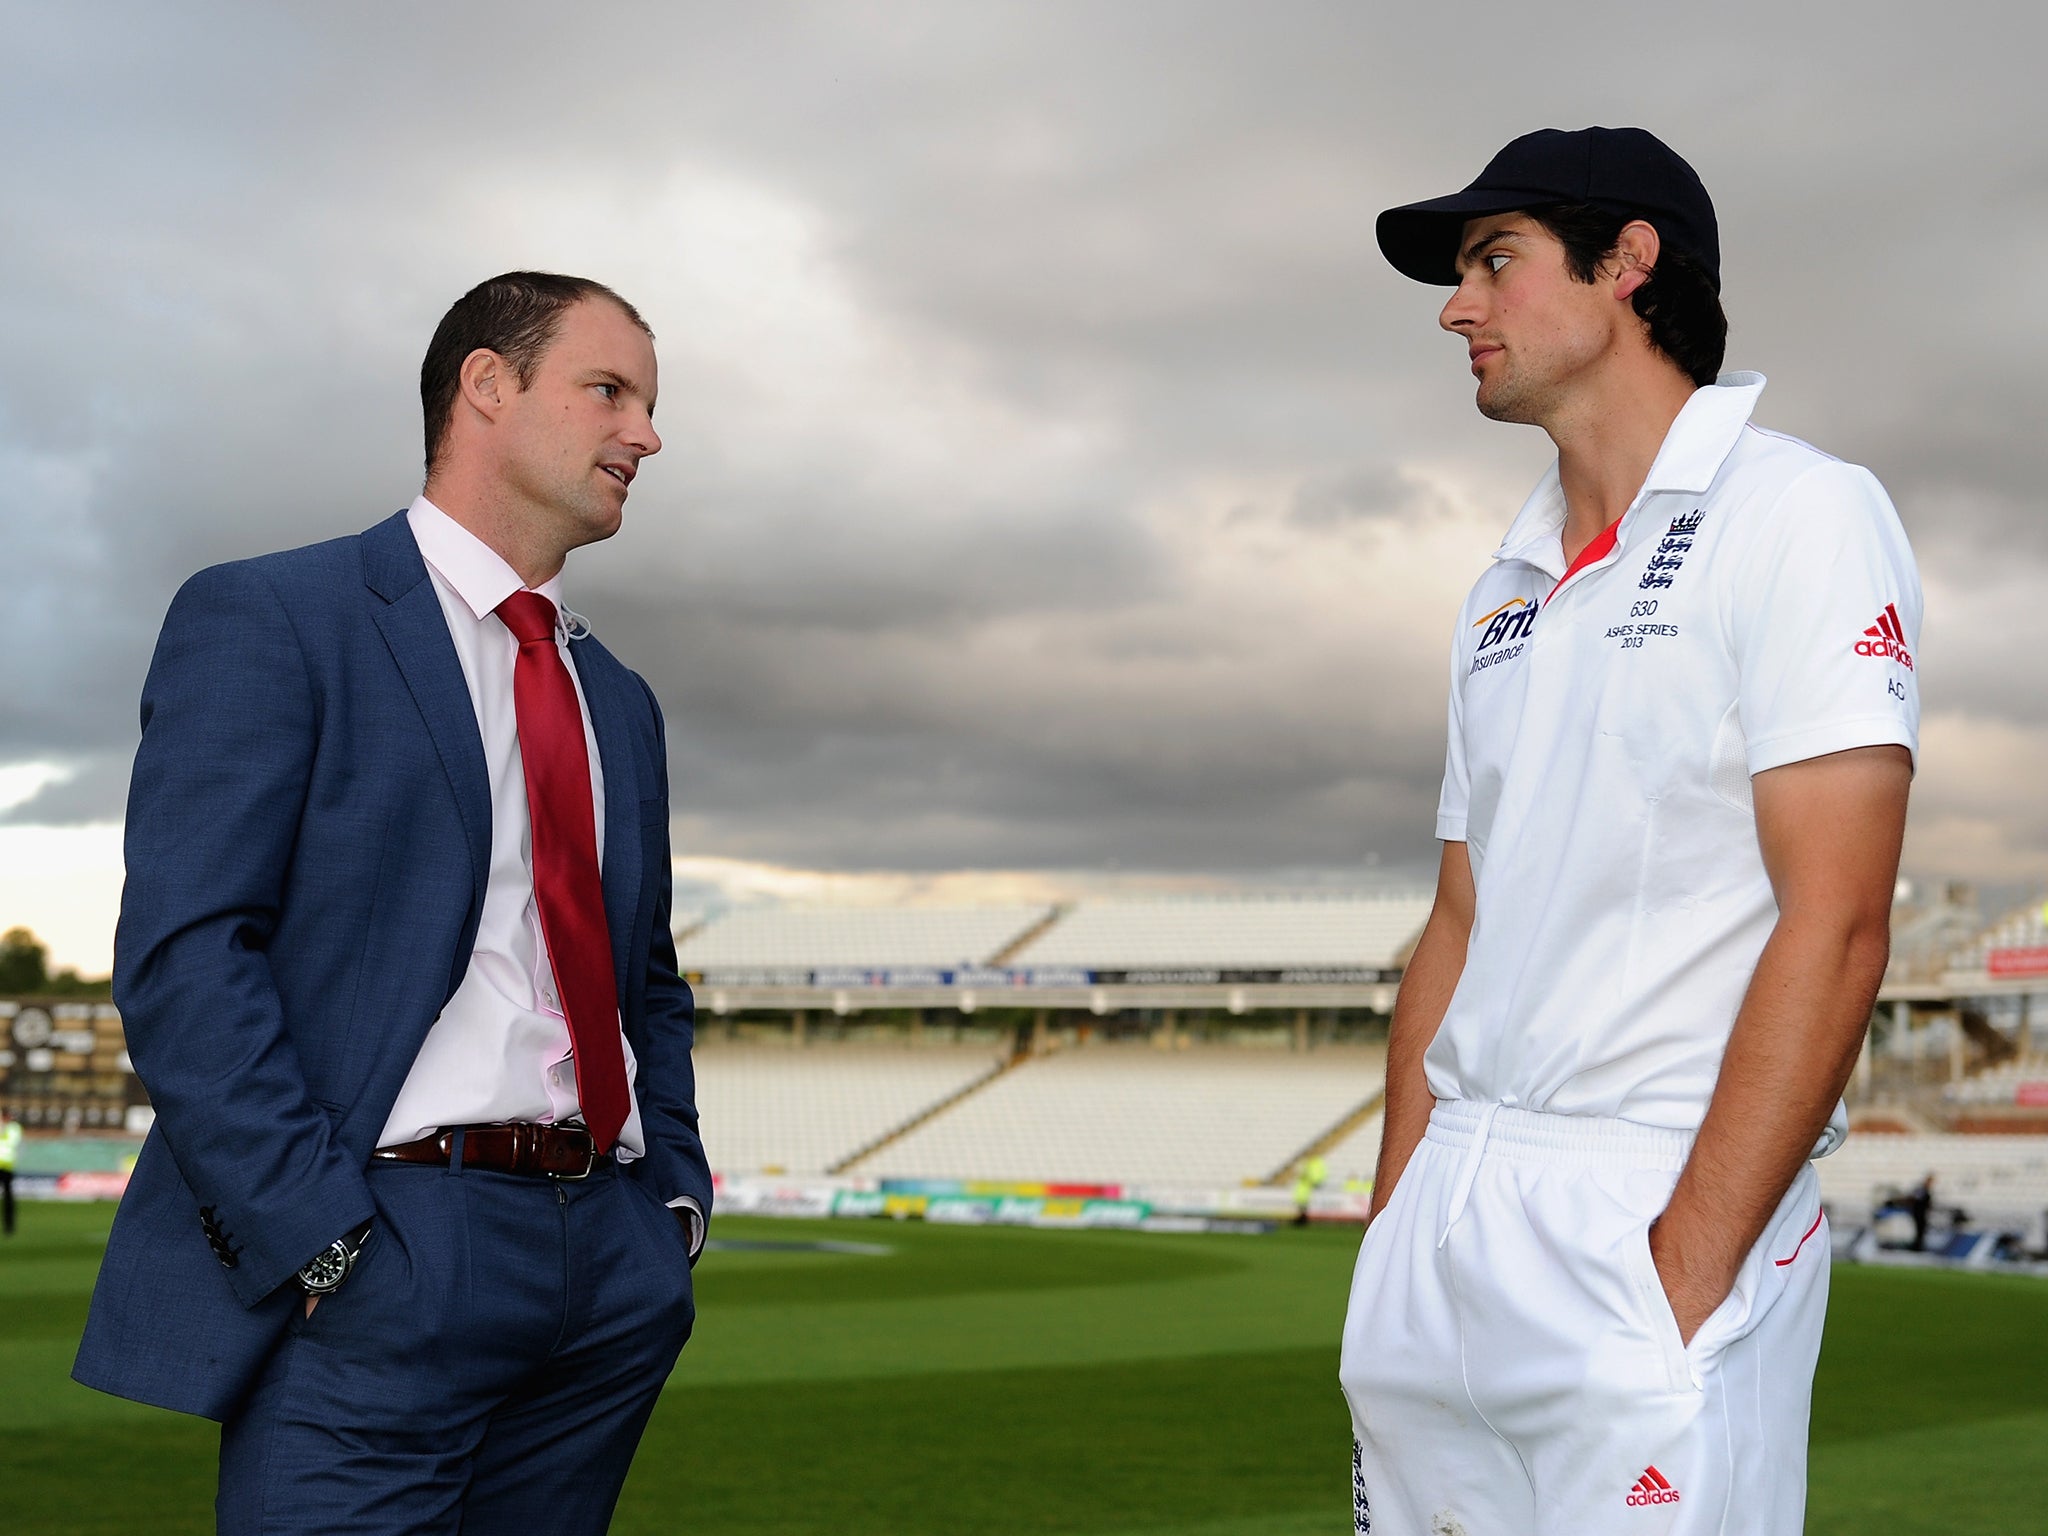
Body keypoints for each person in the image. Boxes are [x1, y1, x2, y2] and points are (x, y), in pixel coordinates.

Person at [1339, 128, 1918, 1534]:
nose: (1455, 307)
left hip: (1652, 1194)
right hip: (1455, 1215)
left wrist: (1686, 1267)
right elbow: (1461, 922)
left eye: (1495, 261)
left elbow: (1834, 918)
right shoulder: (1502, 584)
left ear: (1628, 262)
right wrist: (1395, 1227)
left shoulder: (1800, 512)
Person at [73, 272, 712, 1535]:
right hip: (394, 1240)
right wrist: (324, 1242)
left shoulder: (616, 697)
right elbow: (188, 958)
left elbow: (644, 978)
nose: (645, 434)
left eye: (647, 404)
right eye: (609, 390)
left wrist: (671, 1209)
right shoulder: (274, 617)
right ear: (487, 384)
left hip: (608, 1268)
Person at [0, 1107, 20, 1236]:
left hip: (6, 1167)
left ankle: (9, 1226)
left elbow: (10, 1141)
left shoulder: (14, 1128)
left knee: (8, 1198)